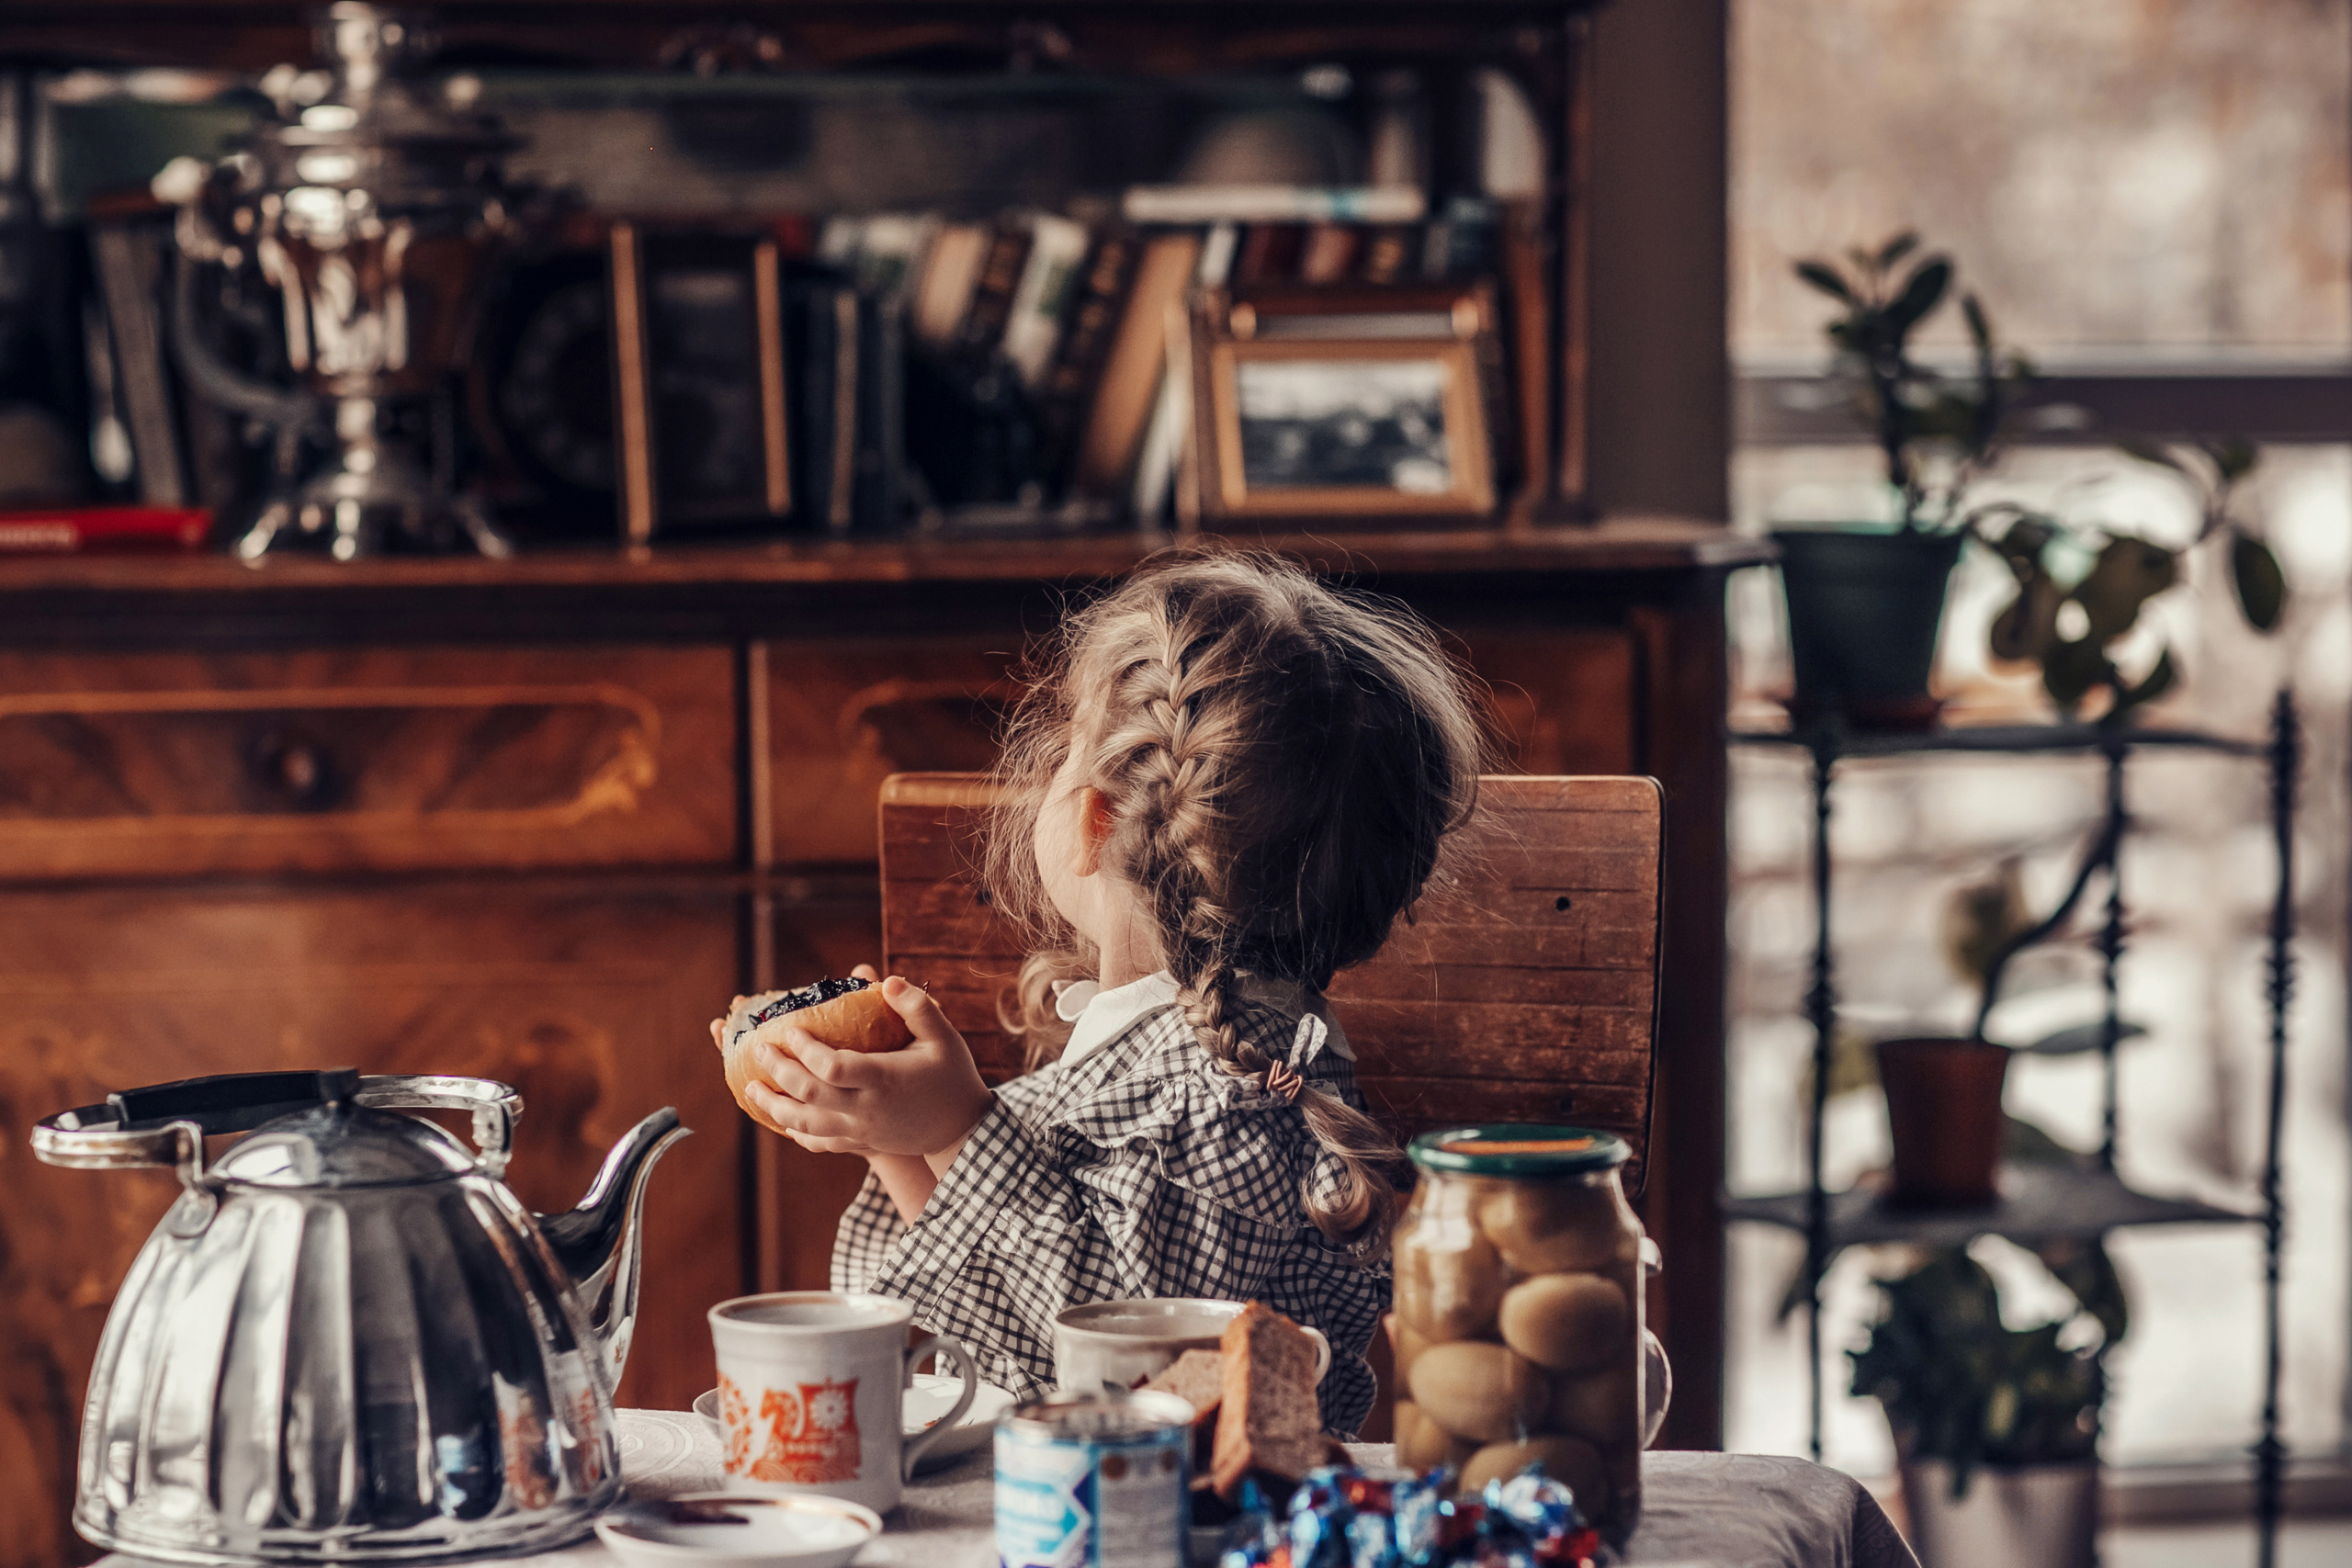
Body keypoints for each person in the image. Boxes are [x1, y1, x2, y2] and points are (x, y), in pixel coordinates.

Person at [732, 549, 1486, 1434]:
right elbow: (1010, 1304)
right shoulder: (1177, 1050)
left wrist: (957, 1127)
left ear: (1094, 819)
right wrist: (894, 1137)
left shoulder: (1236, 1096)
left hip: (1185, 1500)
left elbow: (1137, 1374)